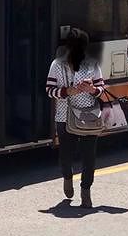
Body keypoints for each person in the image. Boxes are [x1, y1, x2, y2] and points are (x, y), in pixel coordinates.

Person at [45, 29, 105, 207]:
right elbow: (49, 89)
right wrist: (66, 91)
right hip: (64, 116)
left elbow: (101, 87)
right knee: (66, 154)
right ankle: (67, 177)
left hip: (89, 116)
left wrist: (92, 89)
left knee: (89, 157)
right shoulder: (57, 65)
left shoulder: (92, 64)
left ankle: (86, 191)